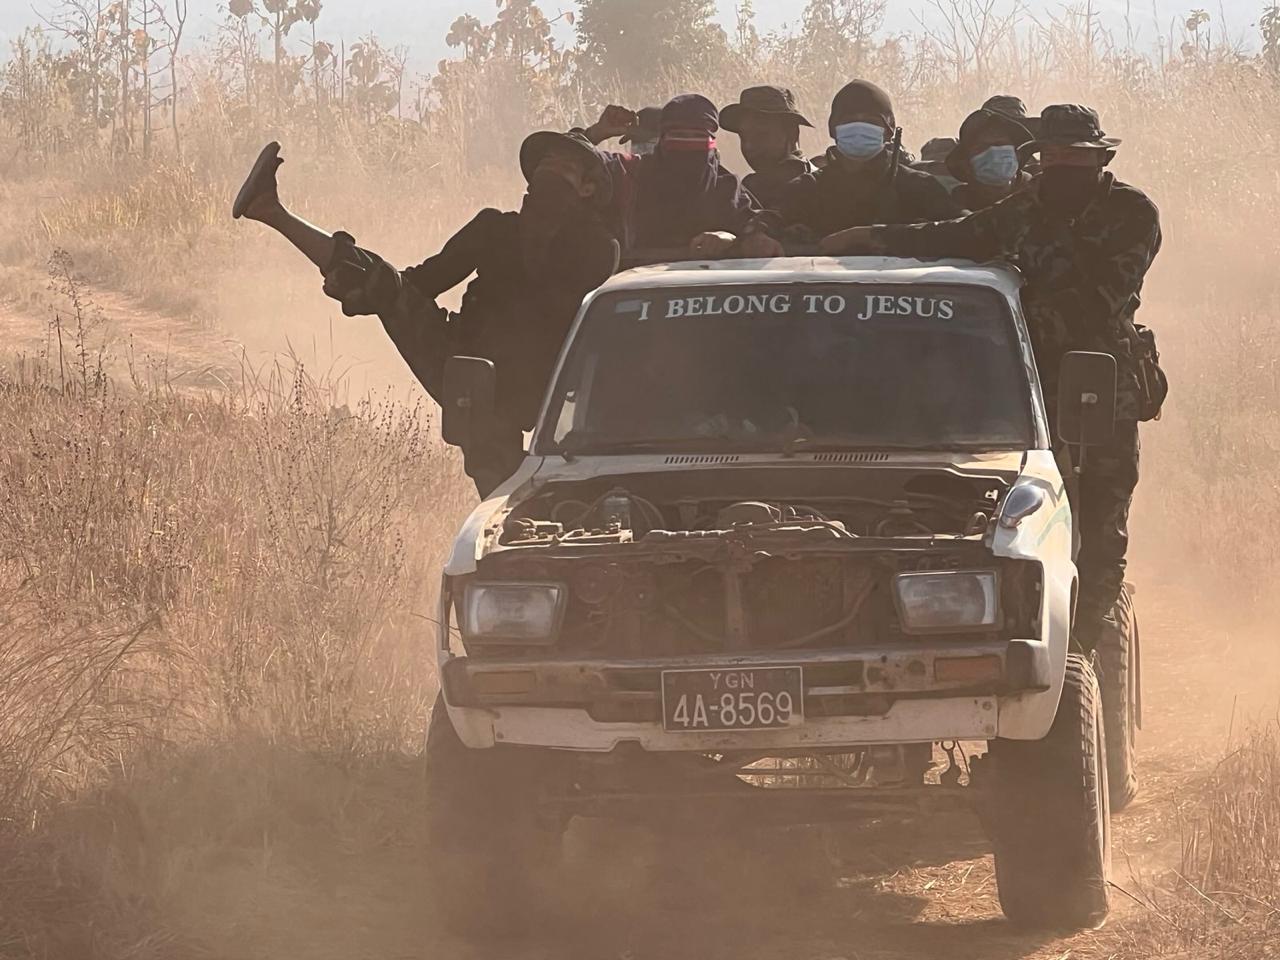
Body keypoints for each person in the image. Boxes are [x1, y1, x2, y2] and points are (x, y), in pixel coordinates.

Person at [821, 104, 1165, 654]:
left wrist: (1012, 317)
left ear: (1101, 159)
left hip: (1100, 391)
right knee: (1015, 518)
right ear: (1041, 162)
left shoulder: (1131, 213)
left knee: (1100, 523)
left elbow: (1100, 303)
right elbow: (955, 236)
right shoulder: (1026, 208)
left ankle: (1084, 650)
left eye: (1078, 158)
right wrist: (865, 238)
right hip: (1019, 394)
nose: (1065, 168)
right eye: (1053, 158)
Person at [231, 132, 619, 496]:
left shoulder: (598, 249)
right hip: (467, 370)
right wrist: (363, 282)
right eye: (544, 164)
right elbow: (420, 284)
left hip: (544, 394)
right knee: (386, 286)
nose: (548, 171)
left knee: (531, 501)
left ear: (588, 189)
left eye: (563, 166)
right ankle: (272, 211)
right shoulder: (493, 228)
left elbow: (575, 320)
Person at [744, 79, 963, 249]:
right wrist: (758, 237)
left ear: (888, 131)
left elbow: (962, 230)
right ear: (834, 130)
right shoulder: (806, 188)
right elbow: (765, 223)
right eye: (849, 120)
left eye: (870, 121)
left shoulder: (919, 187)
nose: (859, 127)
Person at [580, 94, 759, 256]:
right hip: (636, 286)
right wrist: (596, 133)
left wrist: (728, 238)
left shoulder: (727, 189)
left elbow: (761, 234)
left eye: (698, 136)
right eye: (679, 135)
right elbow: (561, 159)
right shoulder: (627, 174)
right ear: (662, 140)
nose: (688, 145)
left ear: (712, 143)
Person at [719, 85, 817, 210]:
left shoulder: (819, 186)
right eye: (743, 137)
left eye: (760, 135)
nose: (748, 146)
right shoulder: (751, 188)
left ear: (792, 132)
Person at [944, 106, 1035, 210]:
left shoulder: (1040, 194)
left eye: (1000, 144)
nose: (994, 154)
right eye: (982, 148)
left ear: (1018, 154)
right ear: (966, 164)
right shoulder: (954, 206)